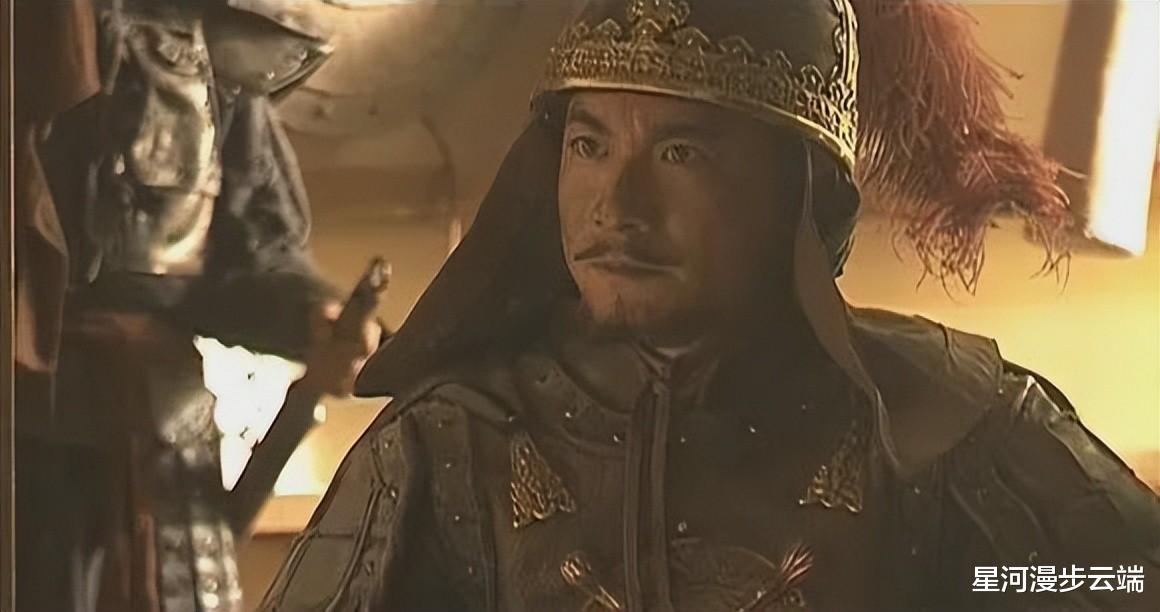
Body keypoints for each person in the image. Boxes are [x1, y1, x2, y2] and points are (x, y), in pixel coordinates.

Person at [261, 0, 1160, 610]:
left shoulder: (950, 426)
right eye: (589, 145)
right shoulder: (449, 444)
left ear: (797, 192)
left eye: (681, 154)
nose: (618, 206)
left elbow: (1117, 581)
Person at [15, 1, 379, 611]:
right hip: (25, 449)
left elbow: (250, 260)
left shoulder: (203, 45)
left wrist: (313, 320)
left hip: (164, 450)